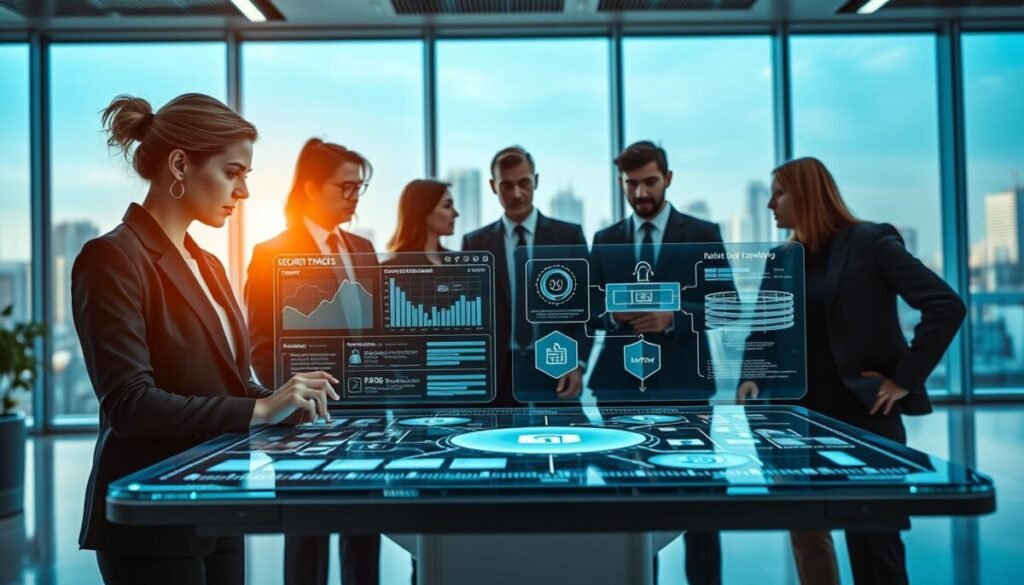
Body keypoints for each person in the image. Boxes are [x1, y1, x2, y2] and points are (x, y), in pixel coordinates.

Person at [72, 94, 338, 585]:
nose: (244, 191)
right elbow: (131, 405)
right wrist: (259, 409)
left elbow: (227, 383)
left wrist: (282, 402)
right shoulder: (111, 258)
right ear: (179, 165)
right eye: (232, 172)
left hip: (216, 499)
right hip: (153, 515)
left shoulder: (208, 264)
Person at [737, 157, 966, 585]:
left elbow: (946, 305)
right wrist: (751, 375)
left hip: (864, 416)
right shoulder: (781, 258)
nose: (770, 204)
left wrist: (904, 379)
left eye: (779, 193)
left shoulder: (871, 242)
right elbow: (763, 327)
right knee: (808, 538)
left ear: (806, 195)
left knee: (875, 545)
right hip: (797, 420)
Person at [244, 138, 381, 585]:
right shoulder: (271, 253)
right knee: (307, 539)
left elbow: (378, 332)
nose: (354, 197)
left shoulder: (362, 248)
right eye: (345, 187)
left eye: (359, 187)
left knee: (364, 538)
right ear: (309, 188)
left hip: (364, 416)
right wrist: (294, 400)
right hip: (303, 420)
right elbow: (261, 345)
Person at [589, 140, 726, 585]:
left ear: (668, 178)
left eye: (649, 182)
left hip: (685, 384)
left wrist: (674, 317)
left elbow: (725, 305)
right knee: (627, 504)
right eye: (631, 184)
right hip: (618, 387)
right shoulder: (605, 239)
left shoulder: (703, 233)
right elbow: (586, 310)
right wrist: (612, 314)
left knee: (699, 503)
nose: (641, 192)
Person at [461, 146, 590, 406]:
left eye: (524, 183)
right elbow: (470, 316)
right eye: (506, 185)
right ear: (493, 186)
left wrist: (576, 362)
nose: (516, 193)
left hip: (557, 362)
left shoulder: (568, 236)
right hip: (497, 371)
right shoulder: (475, 243)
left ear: (536, 181)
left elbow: (586, 306)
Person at [385, 179, 459, 265]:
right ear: (423, 210)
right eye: (447, 206)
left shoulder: (458, 261)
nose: (456, 214)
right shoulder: (393, 266)